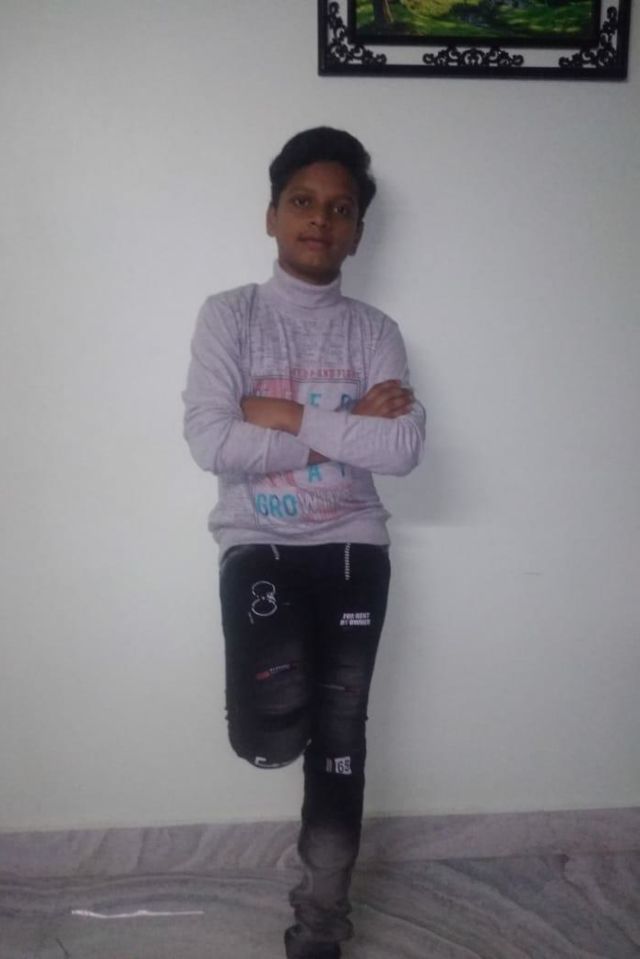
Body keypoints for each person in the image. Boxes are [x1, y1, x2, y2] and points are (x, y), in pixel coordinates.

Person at [182, 127, 425, 959]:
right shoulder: (230, 316)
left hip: (354, 549)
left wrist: (283, 415)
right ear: (272, 216)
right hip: (259, 546)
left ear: (357, 232)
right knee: (268, 740)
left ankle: (322, 918)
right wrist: (347, 428)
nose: (320, 219)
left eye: (340, 209)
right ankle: (270, 731)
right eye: (303, 202)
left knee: (342, 739)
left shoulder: (375, 330)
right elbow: (212, 441)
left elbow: (401, 448)